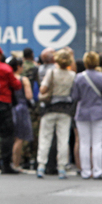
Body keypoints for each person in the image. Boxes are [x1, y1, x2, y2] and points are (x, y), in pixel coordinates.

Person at [36, 49, 76, 179]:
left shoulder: (51, 72)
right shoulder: (72, 75)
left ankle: (41, 165)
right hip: (65, 109)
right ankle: (62, 167)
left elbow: (43, 89)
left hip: (50, 108)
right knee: (63, 139)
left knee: (45, 137)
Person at [71, 52, 102, 180]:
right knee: (97, 143)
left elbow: (75, 96)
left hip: (82, 112)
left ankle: (86, 171)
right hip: (98, 112)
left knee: (84, 143)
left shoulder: (79, 77)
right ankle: (98, 170)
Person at [0, 45, 22, 174]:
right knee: (6, 135)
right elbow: (17, 85)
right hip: (3, 104)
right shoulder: (5, 68)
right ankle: (5, 164)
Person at [7, 57, 34, 171]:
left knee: (9, 137)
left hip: (9, 107)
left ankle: (7, 162)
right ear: (18, 67)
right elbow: (29, 96)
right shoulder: (23, 79)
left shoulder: (7, 78)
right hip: (21, 108)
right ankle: (16, 163)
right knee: (19, 138)